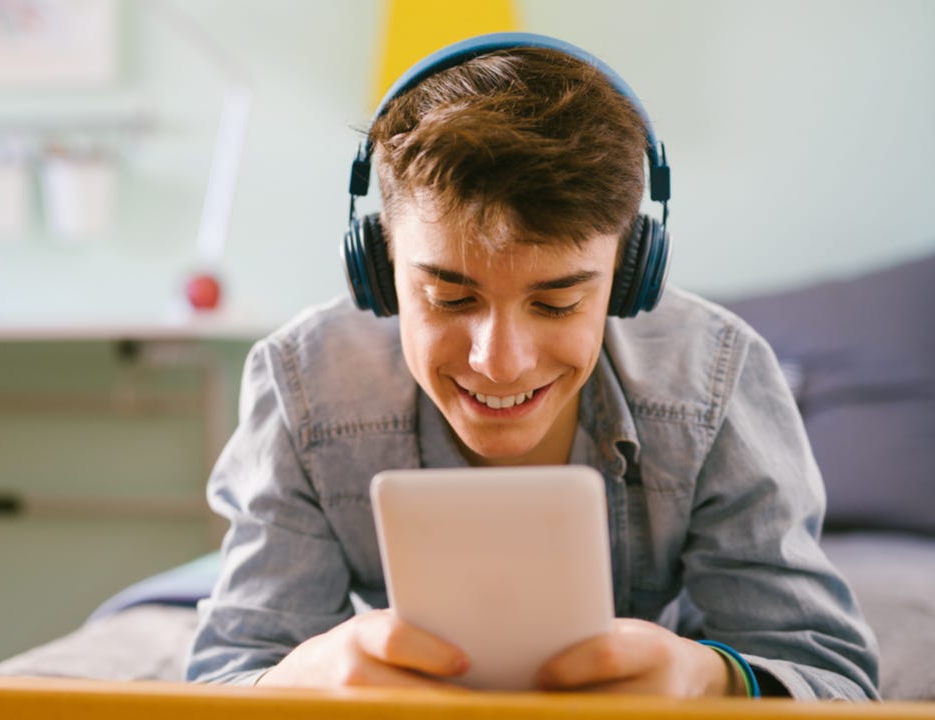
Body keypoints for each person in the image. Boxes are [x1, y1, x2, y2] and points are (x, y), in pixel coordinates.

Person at [185, 32, 879, 700]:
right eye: (450, 297)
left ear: (628, 276)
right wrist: (307, 672)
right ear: (379, 264)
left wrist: (709, 677)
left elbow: (833, 675)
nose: (500, 363)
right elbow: (225, 676)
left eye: (557, 304)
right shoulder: (305, 384)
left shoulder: (717, 378)